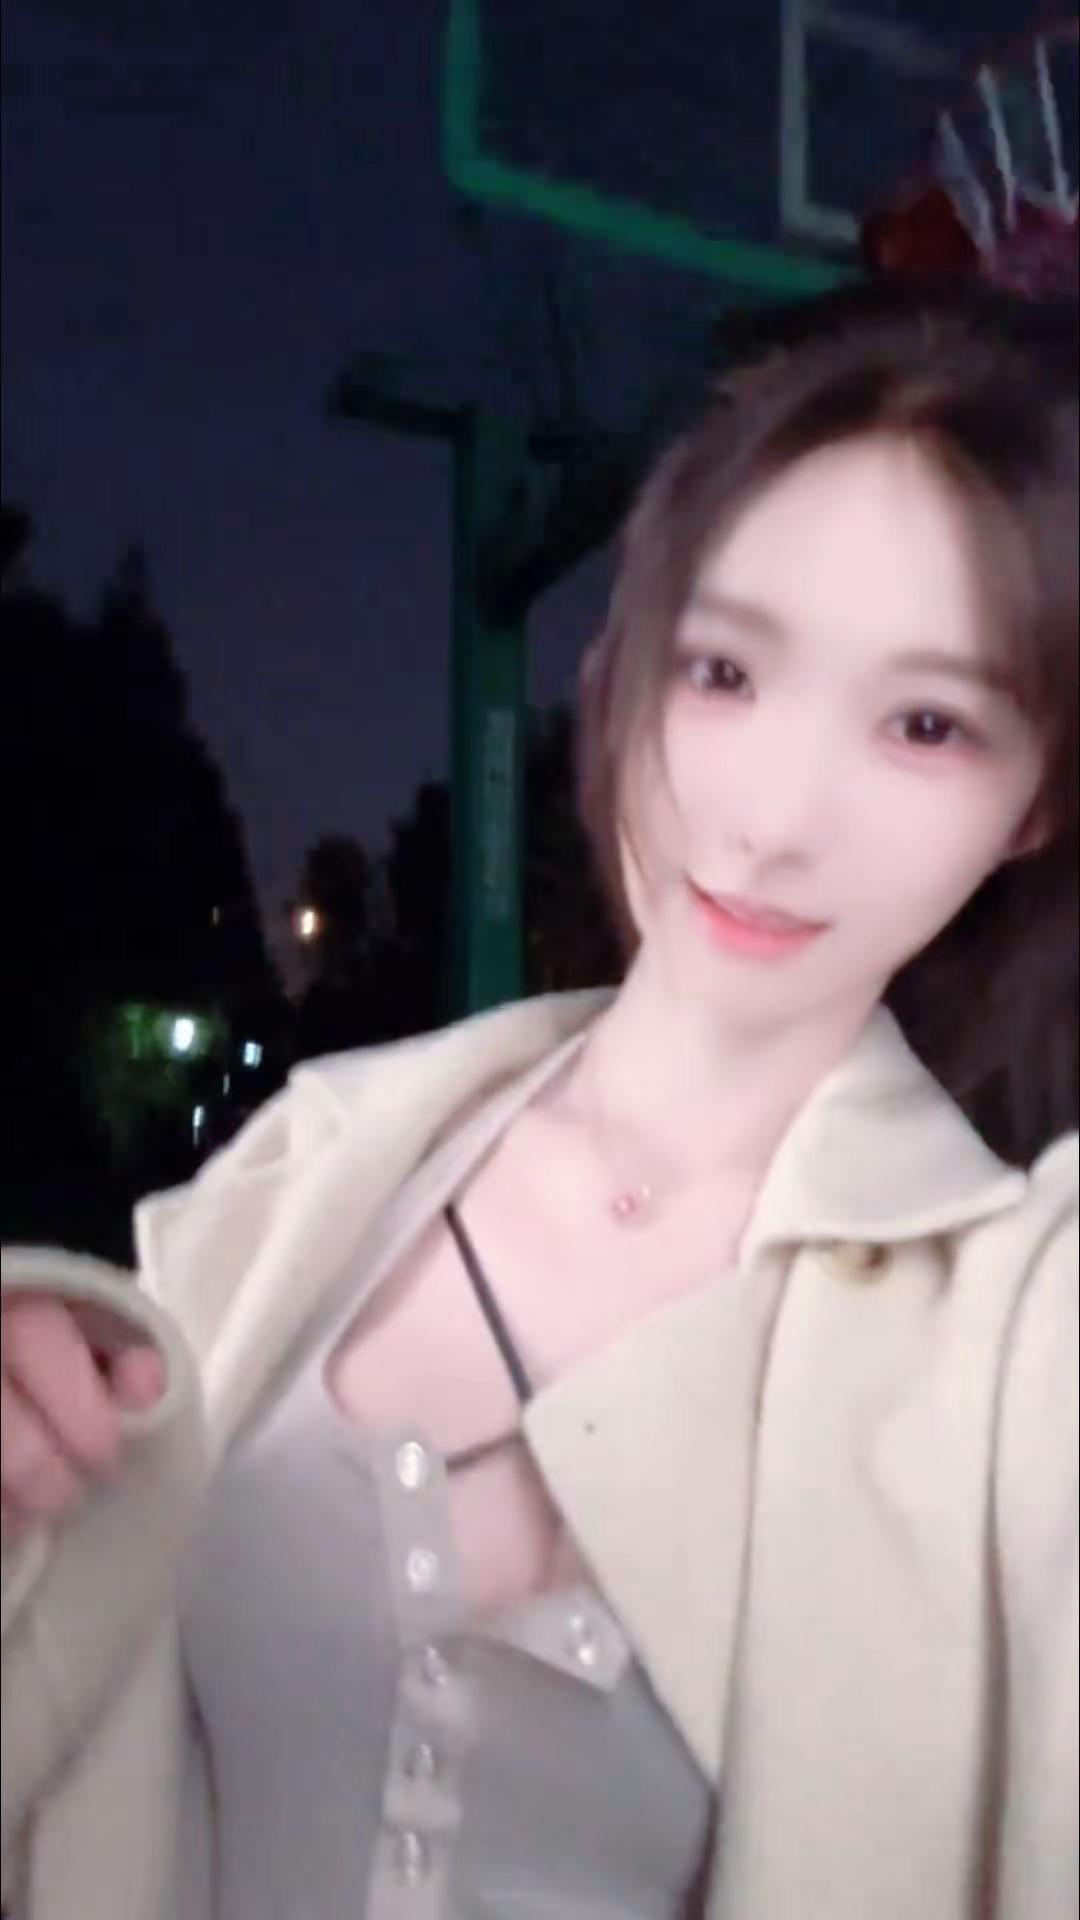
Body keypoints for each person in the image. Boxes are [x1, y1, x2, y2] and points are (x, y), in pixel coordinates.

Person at [2, 285, 1077, 1920]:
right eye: (726, 671)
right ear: (623, 671)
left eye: (926, 724)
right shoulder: (309, 1173)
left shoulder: (1014, 1336)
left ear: (1035, 802)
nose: (775, 819)